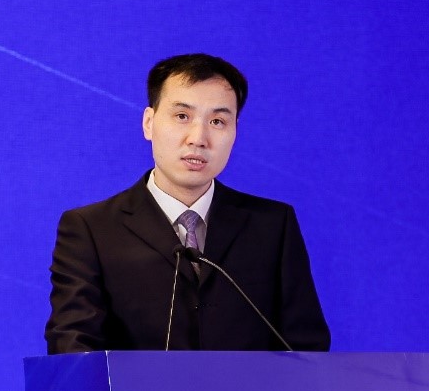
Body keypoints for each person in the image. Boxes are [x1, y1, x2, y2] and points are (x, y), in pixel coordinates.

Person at [45, 53, 330, 353]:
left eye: (217, 121)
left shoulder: (272, 226)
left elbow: (307, 350)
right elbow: (72, 349)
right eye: (182, 116)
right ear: (149, 123)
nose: (198, 138)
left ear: (235, 131)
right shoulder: (92, 229)